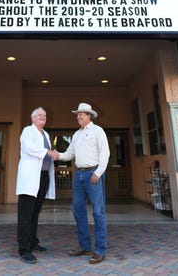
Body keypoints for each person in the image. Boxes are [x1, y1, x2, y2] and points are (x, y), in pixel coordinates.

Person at [52, 103, 110, 264]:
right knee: (77, 209)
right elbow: (69, 154)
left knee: (98, 212)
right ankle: (84, 246)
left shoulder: (98, 131)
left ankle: (100, 250)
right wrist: (57, 155)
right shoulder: (76, 134)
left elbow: (105, 153)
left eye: (81, 114)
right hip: (79, 175)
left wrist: (98, 173)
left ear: (89, 116)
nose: (78, 117)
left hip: (93, 174)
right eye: (77, 114)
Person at [16, 107, 56, 264]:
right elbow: (29, 148)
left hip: (43, 177)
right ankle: (24, 249)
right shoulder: (27, 131)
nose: (43, 117)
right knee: (25, 214)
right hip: (30, 178)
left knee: (35, 213)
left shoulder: (45, 134)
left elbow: (47, 153)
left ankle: (33, 242)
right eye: (39, 115)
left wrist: (53, 153)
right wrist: (48, 152)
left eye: (44, 115)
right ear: (32, 118)